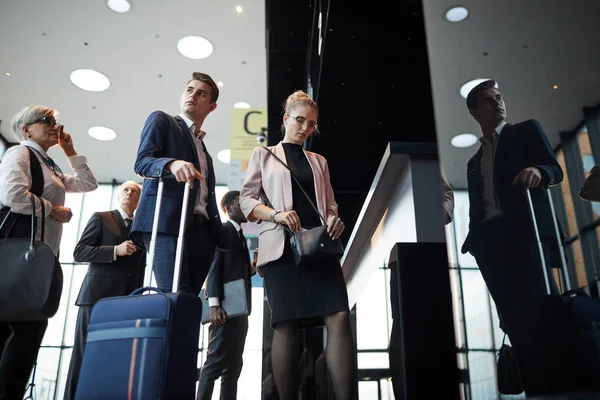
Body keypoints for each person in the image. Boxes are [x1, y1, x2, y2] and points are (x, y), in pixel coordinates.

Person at [240, 90, 354, 400]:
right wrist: (275, 214)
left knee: (340, 316)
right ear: (286, 119)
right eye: (299, 120)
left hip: (318, 247)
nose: (304, 128)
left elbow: (330, 205)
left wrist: (334, 219)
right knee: (285, 323)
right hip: (281, 250)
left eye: (311, 124)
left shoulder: (319, 161)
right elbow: (247, 200)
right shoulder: (263, 154)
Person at [460, 80, 566, 396]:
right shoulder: (473, 161)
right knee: (512, 321)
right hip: (490, 246)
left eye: (499, 97)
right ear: (475, 111)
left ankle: (561, 386)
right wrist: (473, 243)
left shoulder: (525, 131)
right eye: (490, 101)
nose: (498, 103)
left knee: (542, 313)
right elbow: (479, 205)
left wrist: (538, 170)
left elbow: (555, 170)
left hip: (526, 236)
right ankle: (535, 390)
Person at [0, 105, 98, 399]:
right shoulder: (19, 153)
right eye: (45, 121)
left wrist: (70, 151)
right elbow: (12, 194)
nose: (54, 125)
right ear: (26, 129)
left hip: (39, 257)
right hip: (19, 252)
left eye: (55, 121)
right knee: (22, 329)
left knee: (25, 329)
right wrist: (53, 210)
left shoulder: (50, 165)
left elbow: (88, 183)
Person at [131, 72, 222, 296]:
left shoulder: (204, 150)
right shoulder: (162, 120)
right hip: (167, 223)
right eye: (190, 90)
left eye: (201, 94)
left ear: (211, 107)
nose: (193, 96)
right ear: (181, 97)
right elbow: (142, 162)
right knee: (174, 297)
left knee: (190, 303)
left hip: (202, 233)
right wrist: (171, 164)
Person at [63, 181, 145, 400]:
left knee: (116, 357)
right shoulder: (101, 217)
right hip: (96, 297)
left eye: (135, 191)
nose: (130, 193)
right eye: (126, 190)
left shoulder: (141, 229)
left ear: (139, 200)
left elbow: (140, 267)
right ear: (119, 196)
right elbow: (79, 252)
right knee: (84, 353)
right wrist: (114, 251)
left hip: (127, 301)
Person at [389, 172, 454, 398]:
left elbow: (445, 193)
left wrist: (440, 215)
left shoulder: (420, 153)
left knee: (431, 321)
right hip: (398, 254)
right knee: (401, 325)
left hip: (428, 247)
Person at [197, 190, 256, 400]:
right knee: (213, 364)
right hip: (223, 311)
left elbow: (233, 270)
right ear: (228, 208)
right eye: (242, 202)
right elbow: (213, 269)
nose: (247, 205)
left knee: (233, 367)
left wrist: (252, 268)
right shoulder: (223, 230)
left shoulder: (239, 235)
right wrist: (214, 304)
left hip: (239, 311)